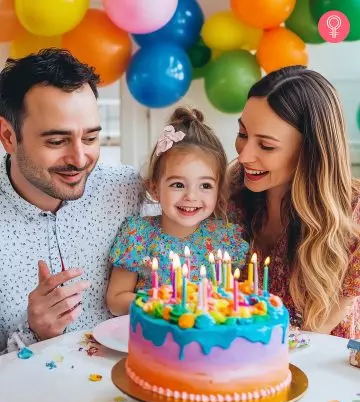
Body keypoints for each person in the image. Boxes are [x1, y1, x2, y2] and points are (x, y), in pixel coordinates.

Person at [0, 48, 143, 353]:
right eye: (56, 141)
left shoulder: (131, 191)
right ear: (8, 136)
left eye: (90, 138)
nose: (79, 159)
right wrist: (34, 333)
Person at [228, 65, 360, 338]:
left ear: (310, 151)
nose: (243, 156)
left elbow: (318, 330)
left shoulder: (353, 215)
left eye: (266, 145)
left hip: (315, 368)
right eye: (243, 134)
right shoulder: (232, 189)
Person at [106, 107, 250, 315]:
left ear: (219, 191)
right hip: (154, 341)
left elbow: (236, 298)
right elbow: (116, 300)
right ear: (154, 188)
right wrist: (165, 304)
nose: (191, 196)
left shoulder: (226, 239)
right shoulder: (139, 235)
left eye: (206, 186)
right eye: (178, 185)